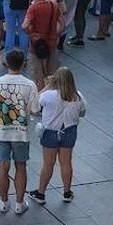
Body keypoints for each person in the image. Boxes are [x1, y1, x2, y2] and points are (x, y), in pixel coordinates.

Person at [0, 48, 39, 215]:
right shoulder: (30, 85)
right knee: (21, 166)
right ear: (23, 64)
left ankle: (3, 202)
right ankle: (19, 203)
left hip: (1, 131)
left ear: (6, 63)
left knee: (2, 166)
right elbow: (35, 110)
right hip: (20, 133)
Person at [27, 67, 85, 205]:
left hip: (50, 132)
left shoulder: (48, 95)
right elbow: (82, 113)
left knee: (48, 164)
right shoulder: (78, 96)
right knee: (66, 162)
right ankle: (67, 192)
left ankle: (41, 193)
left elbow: (34, 106)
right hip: (69, 132)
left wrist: (47, 86)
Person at [22, 0, 62, 89]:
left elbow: (24, 25)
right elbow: (62, 23)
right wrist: (55, 34)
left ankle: (40, 99)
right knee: (51, 75)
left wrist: (32, 34)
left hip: (37, 46)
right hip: (52, 44)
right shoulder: (54, 5)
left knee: (38, 77)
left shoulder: (33, 8)